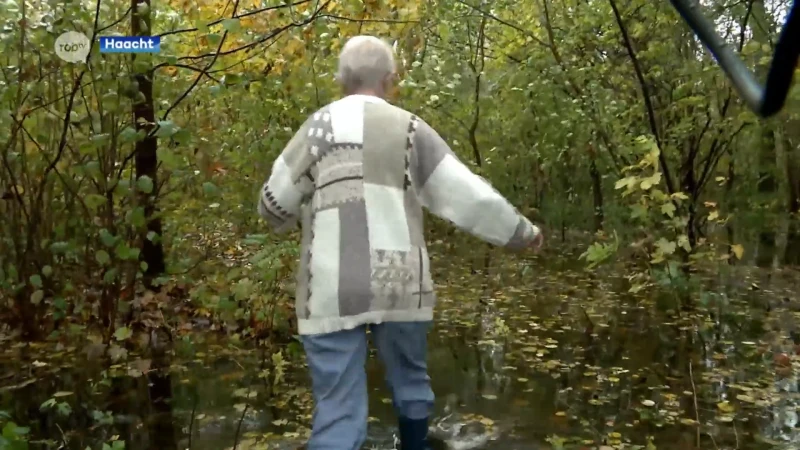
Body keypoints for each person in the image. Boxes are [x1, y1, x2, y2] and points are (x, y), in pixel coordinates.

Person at [257, 35, 544, 450]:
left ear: (340, 78)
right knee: (410, 381)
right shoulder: (411, 129)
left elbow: (275, 203)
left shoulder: (318, 128)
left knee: (338, 409)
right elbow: (466, 195)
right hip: (400, 280)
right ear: (390, 79)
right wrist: (521, 233)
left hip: (332, 284)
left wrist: (282, 217)